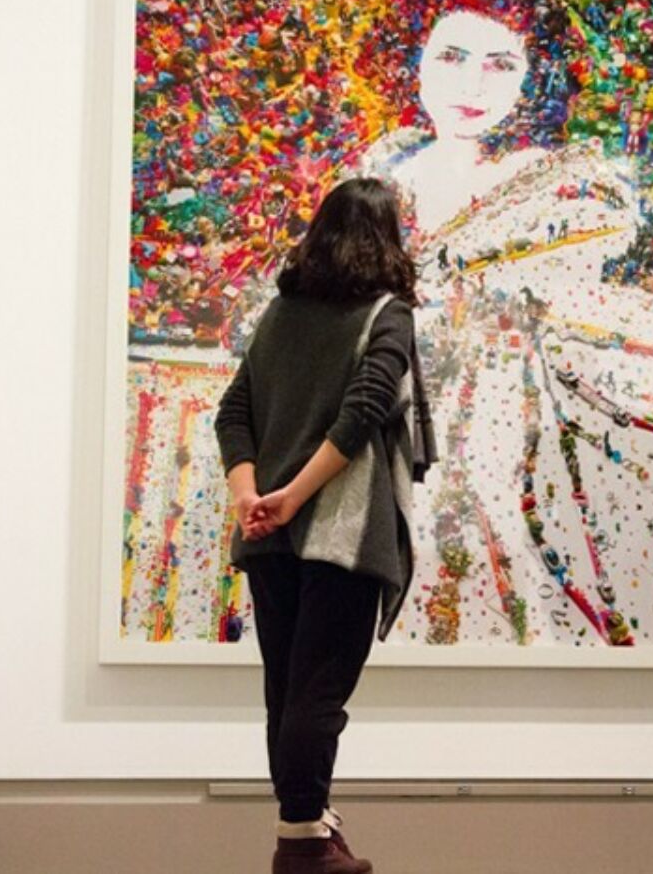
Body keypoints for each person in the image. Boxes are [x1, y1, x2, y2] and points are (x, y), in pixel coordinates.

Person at [354, 0, 653, 650]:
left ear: (535, 79)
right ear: (413, 61)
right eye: (452, 58)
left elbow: (626, 308)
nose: (473, 87)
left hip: (512, 422)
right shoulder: (383, 173)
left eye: (501, 65)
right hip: (384, 406)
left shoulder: (575, 189)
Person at [215, 177, 426, 874]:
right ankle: (303, 840)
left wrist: (254, 497)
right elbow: (365, 410)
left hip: (269, 535)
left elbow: (232, 413)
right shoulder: (388, 314)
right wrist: (295, 496)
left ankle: (306, 828)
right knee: (317, 693)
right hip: (340, 529)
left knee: (286, 691)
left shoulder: (281, 315)